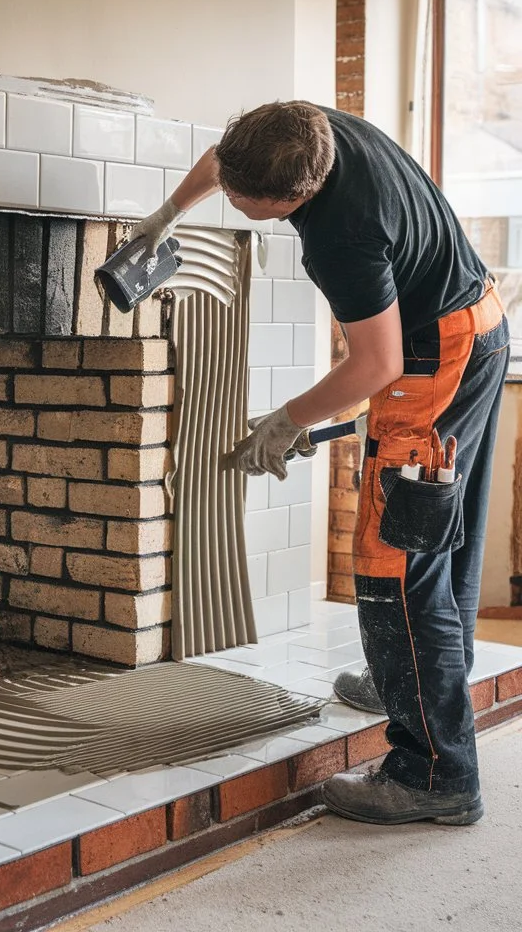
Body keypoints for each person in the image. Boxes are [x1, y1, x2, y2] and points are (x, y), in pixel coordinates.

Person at [129, 101, 509, 827]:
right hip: (474, 320)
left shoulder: (341, 234)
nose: (233, 204)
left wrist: (286, 422)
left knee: (396, 556)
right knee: (434, 538)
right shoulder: (297, 130)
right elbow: (227, 161)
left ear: (295, 197)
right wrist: (167, 215)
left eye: (246, 201)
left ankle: (435, 773)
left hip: (438, 352)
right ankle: (421, 683)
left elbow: (378, 364)